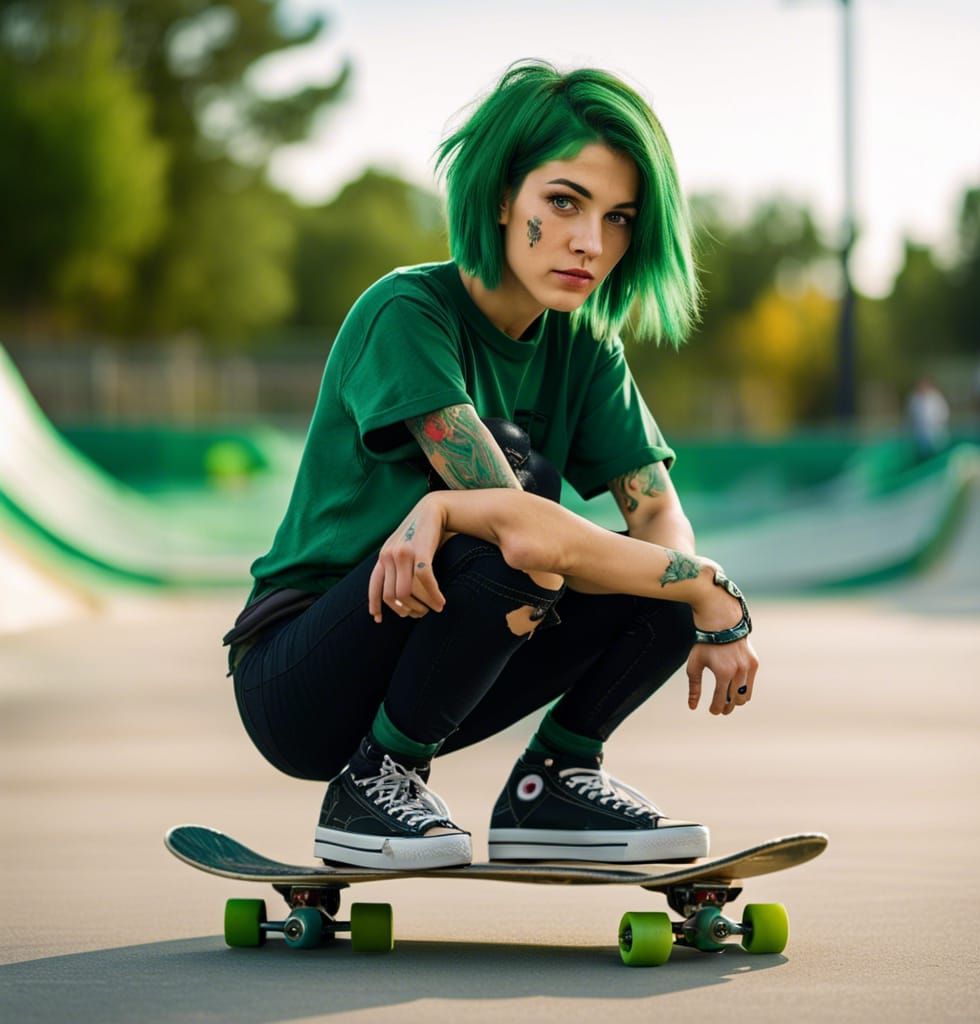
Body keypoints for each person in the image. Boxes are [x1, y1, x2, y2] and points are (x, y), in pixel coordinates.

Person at [224, 61, 759, 871]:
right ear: (503, 196)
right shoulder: (407, 312)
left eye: (618, 218)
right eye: (565, 202)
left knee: (663, 582)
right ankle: (374, 780)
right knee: (523, 538)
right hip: (301, 675)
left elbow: (656, 511)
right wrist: (710, 585)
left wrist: (695, 590)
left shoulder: (585, 344)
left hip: (444, 652)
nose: (591, 242)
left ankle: (554, 781)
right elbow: (521, 532)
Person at [905, 376, 950, 461]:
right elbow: (910, 415)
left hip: (936, 430)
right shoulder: (914, 399)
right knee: (923, 452)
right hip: (920, 431)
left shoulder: (936, 397)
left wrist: (937, 424)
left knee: (938, 450)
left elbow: (944, 413)